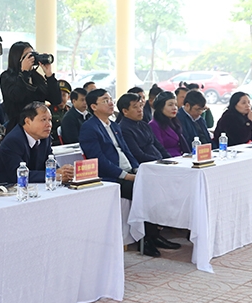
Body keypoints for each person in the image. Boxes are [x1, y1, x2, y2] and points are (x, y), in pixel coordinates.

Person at [80, 90, 169, 257]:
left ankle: (155, 235)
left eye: (110, 99)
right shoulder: (89, 128)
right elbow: (98, 159)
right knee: (142, 189)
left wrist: (137, 169)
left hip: (128, 171)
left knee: (155, 184)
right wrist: (126, 175)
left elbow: (127, 151)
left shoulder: (113, 125)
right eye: (105, 100)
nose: (110, 102)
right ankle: (146, 239)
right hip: (109, 177)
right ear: (93, 106)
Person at [0, 102, 74, 185]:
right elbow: (19, 174)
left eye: (50, 120)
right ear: (28, 121)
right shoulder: (13, 141)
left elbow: (50, 163)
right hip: (4, 190)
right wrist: (54, 175)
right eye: (43, 120)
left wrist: (64, 172)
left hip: (33, 188)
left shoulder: (45, 137)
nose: (49, 125)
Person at [0, 42, 62, 133]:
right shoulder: (7, 77)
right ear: (18, 58)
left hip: (40, 128)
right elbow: (17, 96)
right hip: (19, 128)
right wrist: (24, 74)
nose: (32, 58)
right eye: (28, 56)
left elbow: (56, 99)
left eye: (33, 54)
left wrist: (49, 75)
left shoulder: (36, 77)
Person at [117, 93, 169, 164]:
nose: (140, 110)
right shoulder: (123, 129)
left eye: (141, 106)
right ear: (125, 111)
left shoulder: (144, 124)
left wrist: (169, 158)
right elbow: (138, 154)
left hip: (157, 161)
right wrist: (159, 160)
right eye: (135, 107)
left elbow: (158, 146)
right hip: (145, 165)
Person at [150, 91, 191, 158]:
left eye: (175, 105)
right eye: (170, 105)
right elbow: (160, 149)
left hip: (181, 157)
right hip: (169, 160)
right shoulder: (154, 125)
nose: (174, 108)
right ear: (161, 107)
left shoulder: (175, 123)